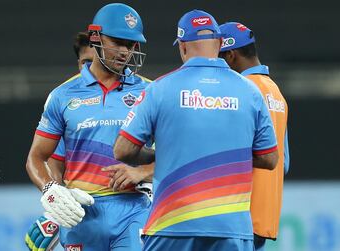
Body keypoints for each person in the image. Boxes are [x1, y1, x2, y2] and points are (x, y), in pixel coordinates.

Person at [113, 9, 279, 251]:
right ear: (220, 43)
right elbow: (270, 158)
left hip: (171, 224)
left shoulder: (159, 88)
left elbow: (123, 150)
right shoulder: (251, 92)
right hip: (231, 228)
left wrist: (165, 154)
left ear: (182, 46)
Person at [25, 3, 153, 251]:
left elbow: (178, 152)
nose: (125, 52)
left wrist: (143, 172)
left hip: (134, 209)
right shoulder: (62, 95)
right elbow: (36, 158)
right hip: (81, 214)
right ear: (95, 37)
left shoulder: (150, 91)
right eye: (117, 41)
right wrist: (52, 194)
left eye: (131, 44)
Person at [218, 22, 290, 251]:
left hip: (236, 214)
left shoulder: (241, 89)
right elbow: (283, 163)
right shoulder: (276, 92)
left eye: (217, 58)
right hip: (262, 218)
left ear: (230, 55)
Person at [25, 32, 95, 251]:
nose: (92, 68)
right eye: (86, 62)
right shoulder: (65, 99)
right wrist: (58, 207)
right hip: (87, 217)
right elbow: (54, 167)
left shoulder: (140, 95)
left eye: (97, 61)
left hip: (135, 213)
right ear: (78, 63)